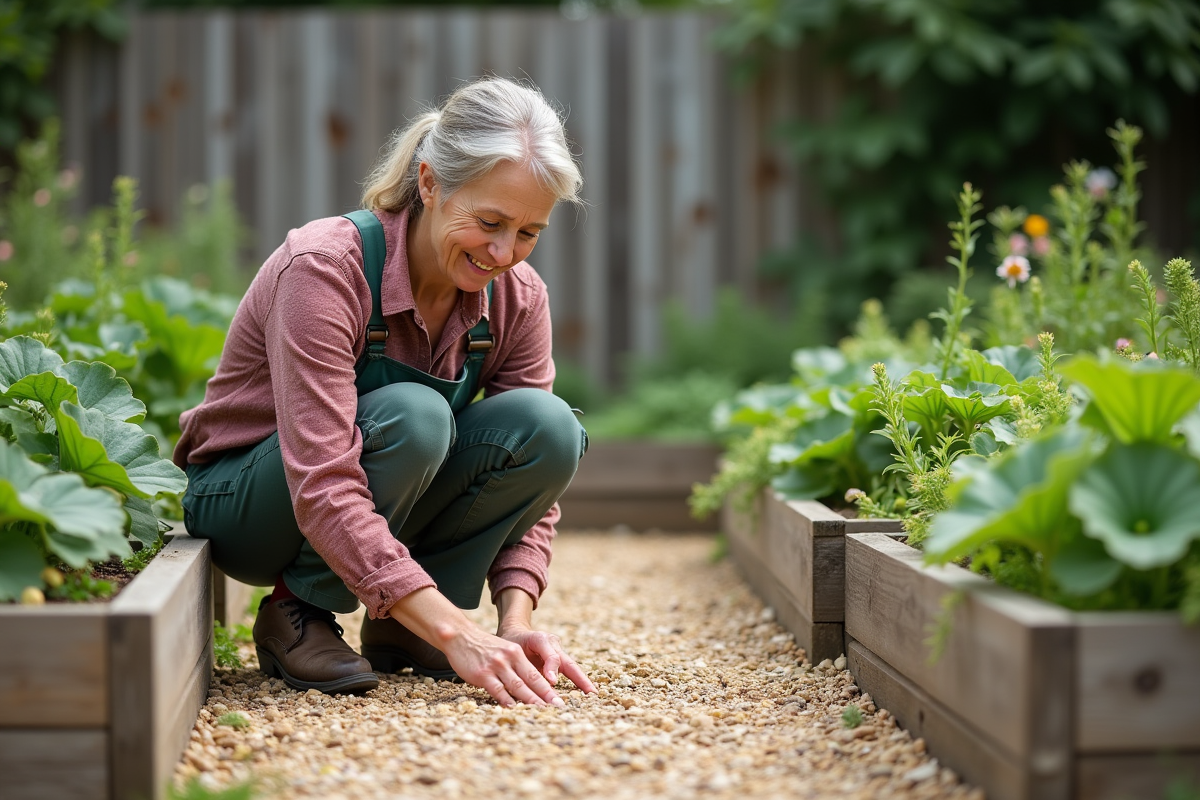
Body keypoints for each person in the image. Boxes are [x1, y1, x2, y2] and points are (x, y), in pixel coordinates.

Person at [174, 77, 596, 707]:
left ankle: (406, 621)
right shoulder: (326, 268)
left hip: (348, 495)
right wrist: (461, 635)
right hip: (249, 501)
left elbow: (539, 487)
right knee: (415, 417)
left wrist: (514, 623)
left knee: (549, 427)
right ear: (429, 183)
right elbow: (320, 476)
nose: (505, 252)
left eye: (529, 232)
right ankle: (298, 612)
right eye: (489, 222)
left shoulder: (518, 297)